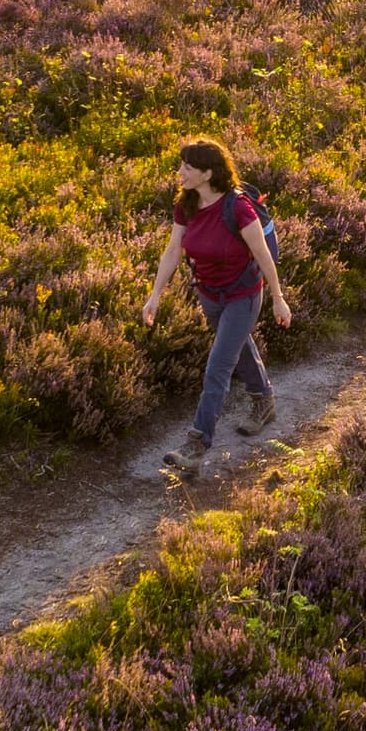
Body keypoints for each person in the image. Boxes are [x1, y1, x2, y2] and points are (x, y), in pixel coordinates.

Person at [142, 136, 293, 478]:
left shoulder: (237, 207)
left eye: (188, 168)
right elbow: (173, 251)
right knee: (237, 348)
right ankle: (263, 399)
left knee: (217, 367)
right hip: (208, 293)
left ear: (208, 173)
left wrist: (277, 297)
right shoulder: (186, 203)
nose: (180, 172)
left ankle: (196, 444)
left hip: (243, 294)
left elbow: (262, 254)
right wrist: (155, 295)